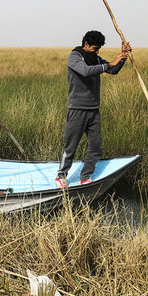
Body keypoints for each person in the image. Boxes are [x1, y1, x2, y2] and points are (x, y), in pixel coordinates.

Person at [56, 31, 132, 188]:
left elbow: (113, 70)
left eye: (99, 49)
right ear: (86, 44)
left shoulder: (95, 58)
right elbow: (85, 71)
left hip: (93, 110)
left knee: (96, 147)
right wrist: (109, 63)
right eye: (95, 48)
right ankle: (61, 176)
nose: (98, 52)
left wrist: (122, 56)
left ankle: (85, 175)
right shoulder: (75, 57)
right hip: (77, 109)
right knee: (70, 146)